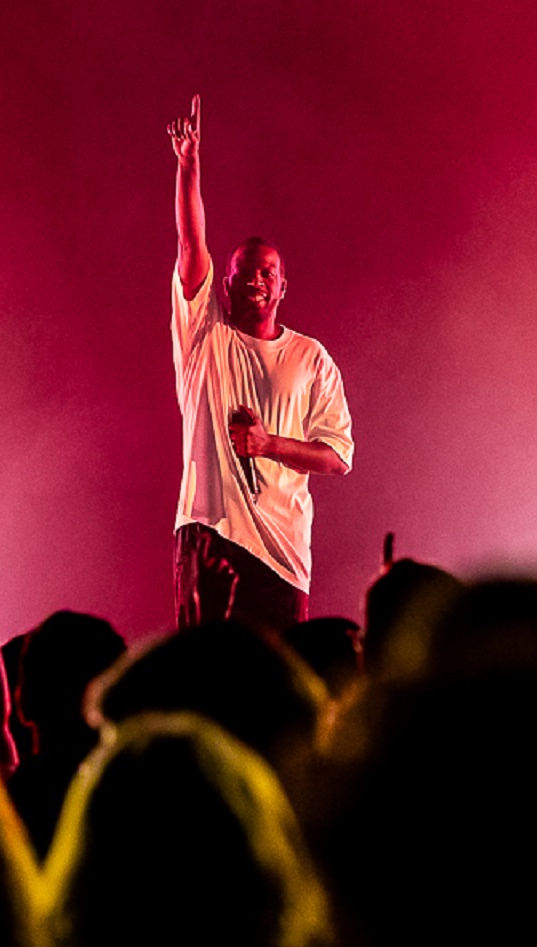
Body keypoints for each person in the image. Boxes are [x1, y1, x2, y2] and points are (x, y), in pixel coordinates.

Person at [168, 95, 354, 633]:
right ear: (224, 284)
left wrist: (270, 445)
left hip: (282, 554)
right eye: (244, 271)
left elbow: (338, 456)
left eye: (267, 273)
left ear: (283, 287)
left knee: (274, 697)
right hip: (209, 533)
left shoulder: (310, 357)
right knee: (204, 685)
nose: (255, 279)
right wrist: (188, 167)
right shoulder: (204, 333)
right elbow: (190, 240)